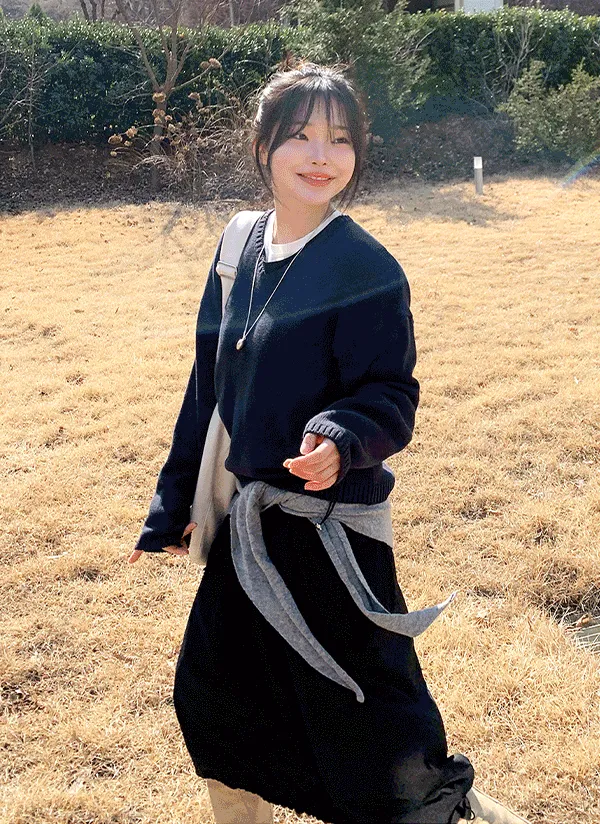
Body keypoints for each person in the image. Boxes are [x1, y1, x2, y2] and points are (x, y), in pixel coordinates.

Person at [128, 62, 530, 824]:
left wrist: (341, 438)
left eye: (340, 139)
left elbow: (392, 394)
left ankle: (457, 812)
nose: (321, 156)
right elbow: (208, 384)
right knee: (215, 699)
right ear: (263, 146)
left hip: (331, 534)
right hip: (250, 531)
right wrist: (172, 505)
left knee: (374, 730)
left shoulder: (366, 267)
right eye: (302, 136)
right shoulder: (240, 243)